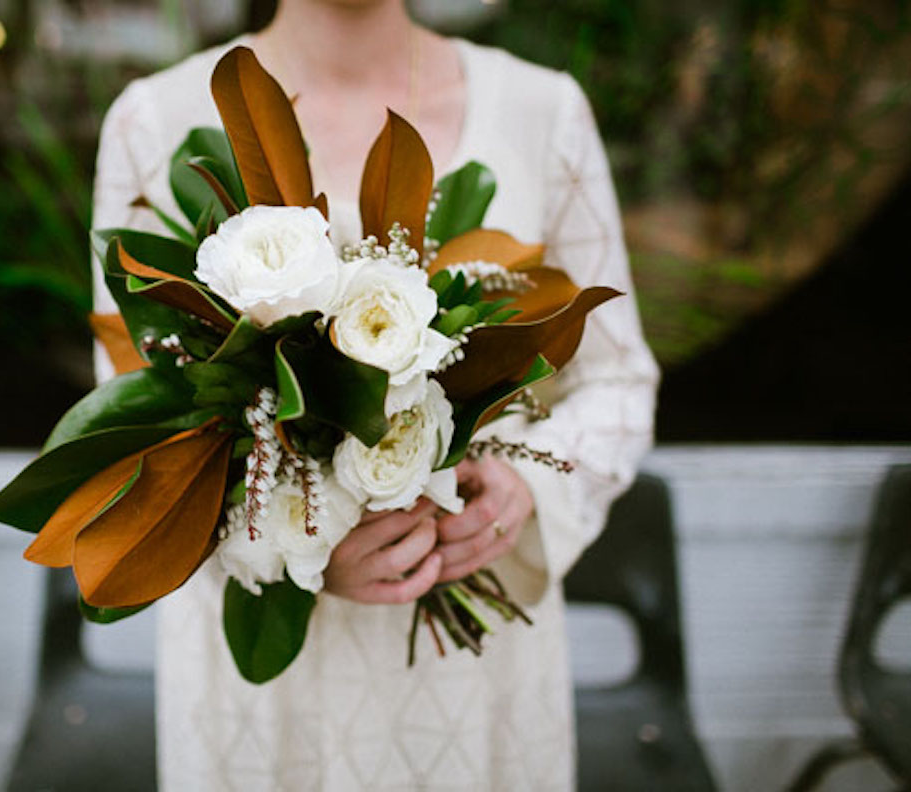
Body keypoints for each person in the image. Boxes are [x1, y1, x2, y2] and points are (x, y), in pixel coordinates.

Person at [90, 1, 660, 789]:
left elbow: (618, 380)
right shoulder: (151, 123)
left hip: (469, 669)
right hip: (266, 697)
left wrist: (523, 487)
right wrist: (287, 543)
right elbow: (137, 421)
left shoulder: (543, 112)